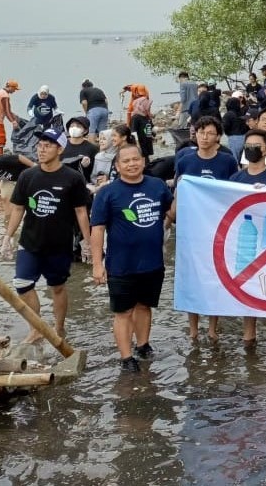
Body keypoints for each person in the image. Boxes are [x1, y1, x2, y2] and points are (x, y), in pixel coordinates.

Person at [91, 142, 176, 372]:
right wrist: (97, 264)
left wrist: (183, 189)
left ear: (144, 161)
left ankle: (143, 345)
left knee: (144, 306)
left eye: (135, 159)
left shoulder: (157, 186)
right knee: (123, 312)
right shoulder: (107, 193)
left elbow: (174, 214)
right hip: (120, 264)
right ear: (117, 166)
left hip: (152, 262)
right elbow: (97, 229)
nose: (132, 164)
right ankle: (126, 357)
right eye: (126, 161)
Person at [2, 129, 91, 344]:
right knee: (22, 284)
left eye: (48, 145)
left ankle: (59, 327)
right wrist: (7, 236)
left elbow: (81, 211)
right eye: (40, 145)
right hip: (30, 243)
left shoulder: (73, 178)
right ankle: (37, 327)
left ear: (60, 149)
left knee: (57, 287)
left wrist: (88, 242)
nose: (41, 149)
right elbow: (18, 208)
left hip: (59, 245)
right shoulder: (27, 176)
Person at [175, 116, 239, 341]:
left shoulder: (227, 161)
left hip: (218, 228)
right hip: (192, 228)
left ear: (218, 137)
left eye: (209, 133)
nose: (204, 137)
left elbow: (234, 192)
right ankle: (193, 329)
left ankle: (213, 328)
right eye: (200, 132)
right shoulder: (185, 160)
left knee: (215, 277)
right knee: (191, 278)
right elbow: (180, 192)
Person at [230, 129, 266, 349]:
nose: (251, 149)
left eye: (256, 145)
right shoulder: (236, 179)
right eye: (248, 145)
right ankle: (248, 333)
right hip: (246, 240)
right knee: (248, 287)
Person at [62, 116, 98, 183]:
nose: (74, 128)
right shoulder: (61, 146)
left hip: (82, 184)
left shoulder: (92, 148)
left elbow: (95, 171)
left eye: (78, 126)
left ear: (85, 131)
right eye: (72, 126)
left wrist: (87, 166)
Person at [222, 93, 249, 162]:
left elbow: (224, 127)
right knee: (242, 158)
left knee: (234, 159)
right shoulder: (241, 113)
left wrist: (227, 133)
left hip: (234, 138)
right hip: (244, 137)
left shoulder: (228, 114)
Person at [130, 95, 155, 164]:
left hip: (147, 142)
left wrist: (152, 135)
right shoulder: (136, 117)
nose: (149, 107)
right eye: (148, 106)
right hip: (140, 143)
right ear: (142, 106)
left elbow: (150, 127)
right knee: (143, 161)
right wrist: (137, 144)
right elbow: (133, 132)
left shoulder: (146, 116)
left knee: (146, 159)